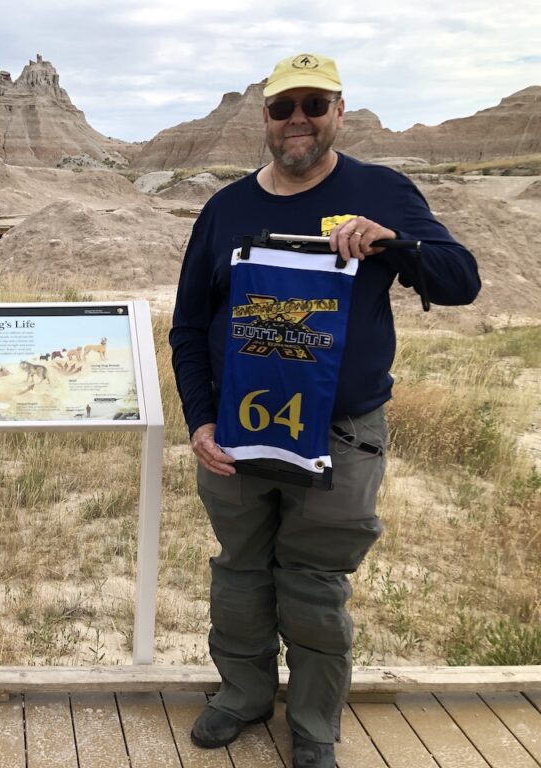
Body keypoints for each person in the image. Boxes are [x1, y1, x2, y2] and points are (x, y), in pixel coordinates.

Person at [169, 53, 480, 768]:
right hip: (238, 436)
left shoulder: (382, 191)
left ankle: (313, 726)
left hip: (341, 435)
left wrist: (395, 243)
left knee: (314, 587)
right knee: (240, 575)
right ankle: (243, 696)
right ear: (266, 119)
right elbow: (189, 327)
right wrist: (201, 420)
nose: (298, 120)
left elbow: (462, 282)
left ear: (339, 111)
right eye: (284, 108)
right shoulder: (225, 210)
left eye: (315, 104)